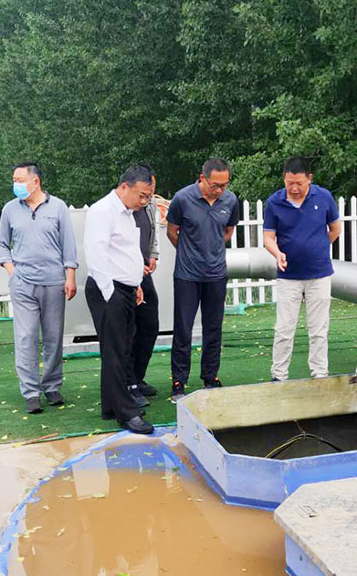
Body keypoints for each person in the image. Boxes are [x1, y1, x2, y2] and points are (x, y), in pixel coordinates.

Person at [0, 162, 78, 414]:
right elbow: (2, 244)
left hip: (53, 282)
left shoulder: (58, 207)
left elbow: (68, 244)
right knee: (26, 338)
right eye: (14, 180)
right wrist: (12, 271)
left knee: (53, 337)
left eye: (20, 180)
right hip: (23, 283)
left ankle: (52, 387)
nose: (16, 185)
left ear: (35, 182)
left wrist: (70, 276)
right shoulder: (10, 209)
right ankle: (31, 392)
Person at [84, 165, 155, 435]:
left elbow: (127, 251)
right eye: (142, 195)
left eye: (148, 196)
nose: (144, 201)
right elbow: (96, 253)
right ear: (125, 186)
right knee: (116, 352)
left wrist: (135, 284)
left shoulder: (127, 213)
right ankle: (127, 413)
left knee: (122, 349)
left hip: (125, 288)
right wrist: (111, 293)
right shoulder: (103, 211)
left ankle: (111, 406)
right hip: (108, 290)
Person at [166, 158, 240, 400]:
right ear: (202, 178)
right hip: (187, 275)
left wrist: (213, 249)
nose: (219, 190)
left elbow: (228, 231)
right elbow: (172, 231)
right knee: (183, 328)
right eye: (215, 185)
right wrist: (190, 251)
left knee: (213, 327)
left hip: (216, 274)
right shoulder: (182, 199)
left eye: (224, 185)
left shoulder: (230, 200)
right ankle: (179, 381)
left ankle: (210, 377)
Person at [262, 157, 340, 381]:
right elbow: (268, 237)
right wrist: (278, 254)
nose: (294, 188)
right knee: (284, 329)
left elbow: (335, 229)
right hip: (288, 276)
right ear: (284, 179)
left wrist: (318, 247)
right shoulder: (274, 202)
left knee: (319, 329)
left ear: (309, 179)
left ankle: (320, 373)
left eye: (299, 183)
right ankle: (278, 375)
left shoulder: (323, 197)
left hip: (319, 274)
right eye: (289, 183)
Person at [128, 168, 161, 402]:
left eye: (152, 192)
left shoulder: (149, 205)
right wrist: (134, 264)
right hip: (124, 274)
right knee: (129, 330)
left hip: (144, 272)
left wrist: (152, 254)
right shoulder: (121, 208)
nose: (148, 197)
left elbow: (152, 231)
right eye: (145, 193)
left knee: (150, 325)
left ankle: (138, 377)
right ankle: (128, 383)